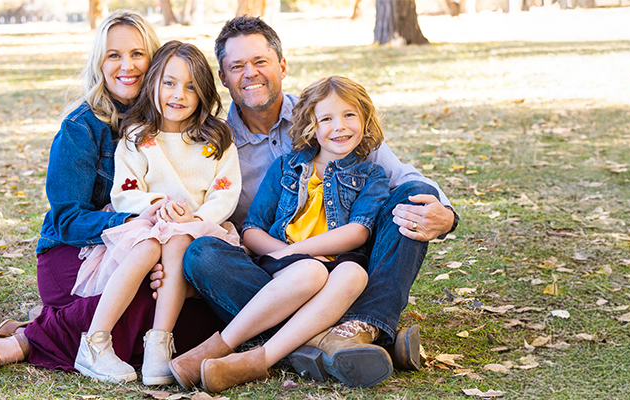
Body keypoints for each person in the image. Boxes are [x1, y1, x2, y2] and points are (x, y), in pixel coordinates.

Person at [160, 16, 460, 388]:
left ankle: (344, 329)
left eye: (260, 61)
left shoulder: (325, 115)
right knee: (203, 254)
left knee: (412, 198)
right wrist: (167, 262)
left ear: (282, 66)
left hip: (347, 269)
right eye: (237, 66)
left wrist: (444, 214)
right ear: (223, 77)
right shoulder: (213, 143)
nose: (250, 73)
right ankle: (342, 340)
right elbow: (197, 210)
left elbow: (403, 177)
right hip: (269, 274)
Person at [0, 11, 224, 375]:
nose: (126, 66)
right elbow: (66, 217)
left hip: (154, 245)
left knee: (184, 305)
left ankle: (51, 323)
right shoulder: (79, 128)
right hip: (75, 253)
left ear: (155, 60)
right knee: (146, 300)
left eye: (137, 54)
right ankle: (28, 340)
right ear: (99, 63)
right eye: (113, 55)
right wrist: (135, 223)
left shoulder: (173, 121)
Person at [169, 75, 392, 392]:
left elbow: (357, 232)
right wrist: (288, 255)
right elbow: (252, 230)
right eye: (326, 118)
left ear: (365, 118)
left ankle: (257, 359)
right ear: (310, 125)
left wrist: (301, 252)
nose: (339, 126)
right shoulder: (286, 167)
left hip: (336, 272)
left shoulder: (371, 174)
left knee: (354, 273)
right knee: (206, 252)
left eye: (349, 115)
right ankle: (313, 338)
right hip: (282, 269)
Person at [70, 40, 240, 385]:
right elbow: (125, 191)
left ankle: (158, 346)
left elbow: (225, 192)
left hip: (197, 228)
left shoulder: (216, 139)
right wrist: (156, 206)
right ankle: (94, 342)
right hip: (149, 223)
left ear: (204, 92)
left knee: (178, 243)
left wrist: (195, 220)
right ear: (153, 85)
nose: (178, 94)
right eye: (169, 83)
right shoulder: (138, 136)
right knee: (147, 246)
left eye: (191, 86)